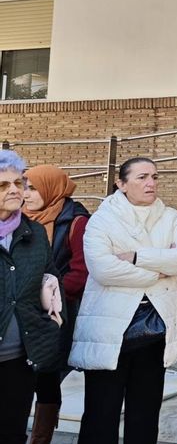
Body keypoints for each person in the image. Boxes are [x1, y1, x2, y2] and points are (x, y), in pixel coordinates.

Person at [72, 157, 177, 444]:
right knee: (101, 414)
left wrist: (138, 257)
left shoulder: (171, 217)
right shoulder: (102, 219)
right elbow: (103, 268)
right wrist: (157, 273)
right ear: (122, 184)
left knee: (145, 414)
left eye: (154, 176)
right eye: (141, 177)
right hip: (109, 331)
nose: (151, 183)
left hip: (155, 330)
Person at [21, 164, 90, 444]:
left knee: (47, 379)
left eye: (33, 187)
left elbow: (82, 271)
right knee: (18, 378)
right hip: (20, 311)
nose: (26, 194)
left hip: (55, 313)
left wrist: (51, 297)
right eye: (24, 187)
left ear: (51, 188)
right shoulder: (17, 219)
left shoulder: (75, 221)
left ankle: (40, 438)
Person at [0, 152, 64, 444]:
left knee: (12, 433)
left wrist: (50, 316)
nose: (15, 190)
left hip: (21, 357)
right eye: (3, 185)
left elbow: (48, 275)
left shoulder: (34, 232)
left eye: (18, 183)